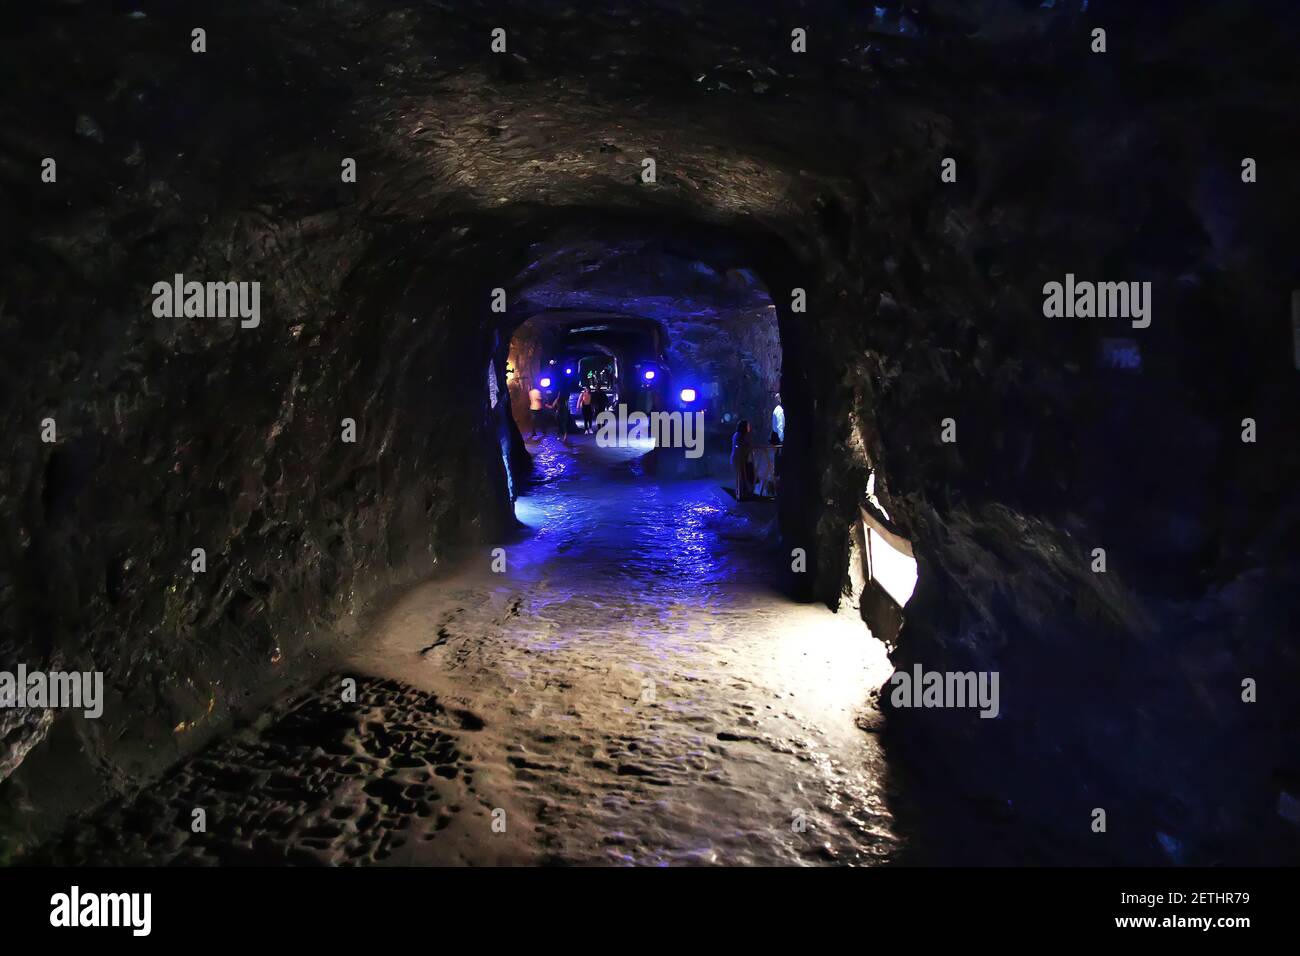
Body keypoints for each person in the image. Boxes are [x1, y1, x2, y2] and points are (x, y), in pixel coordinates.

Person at [731, 419, 754, 500]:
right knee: (741, 476)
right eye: (748, 426)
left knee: (742, 476)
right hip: (738, 458)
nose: (749, 427)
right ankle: (741, 494)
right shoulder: (738, 435)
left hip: (739, 458)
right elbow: (740, 447)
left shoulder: (740, 435)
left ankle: (742, 493)